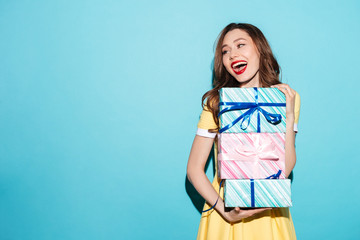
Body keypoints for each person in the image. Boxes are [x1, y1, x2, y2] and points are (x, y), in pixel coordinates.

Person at [186, 23, 301, 240]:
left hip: (269, 210)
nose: (232, 54)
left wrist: (289, 115)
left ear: (260, 48)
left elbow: (284, 168)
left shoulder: (287, 98)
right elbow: (194, 169)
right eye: (225, 51)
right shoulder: (216, 103)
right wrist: (224, 211)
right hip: (227, 210)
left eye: (240, 45)